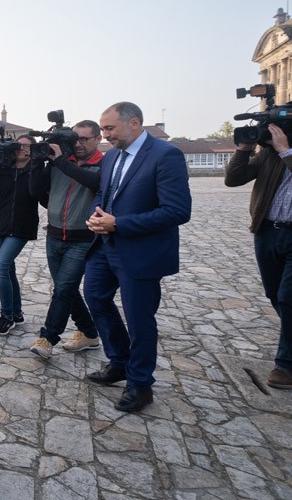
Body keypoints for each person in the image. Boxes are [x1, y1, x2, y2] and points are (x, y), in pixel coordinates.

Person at [83, 101, 191, 412]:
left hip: (141, 252)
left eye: (109, 129)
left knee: (139, 318)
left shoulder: (165, 155)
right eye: (103, 129)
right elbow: (105, 194)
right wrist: (97, 215)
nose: (105, 135)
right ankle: (119, 362)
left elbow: (177, 211)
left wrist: (119, 224)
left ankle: (140, 384)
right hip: (105, 246)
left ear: (134, 123)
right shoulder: (113, 155)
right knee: (95, 298)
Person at [27, 120, 104, 359]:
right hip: (54, 235)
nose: (78, 144)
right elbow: (35, 191)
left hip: (82, 239)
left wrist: (60, 160)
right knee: (66, 289)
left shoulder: (104, 163)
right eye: (74, 139)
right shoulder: (60, 164)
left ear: (98, 138)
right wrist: (37, 162)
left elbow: (94, 183)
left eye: (84, 139)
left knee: (63, 289)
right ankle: (90, 333)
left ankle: (48, 338)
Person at [225, 122, 292, 389]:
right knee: (275, 295)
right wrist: (243, 148)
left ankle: (286, 365)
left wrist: (286, 150)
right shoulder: (268, 153)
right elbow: (234, 179)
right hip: (267, 231)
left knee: (288, 299)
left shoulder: (281, 150)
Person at [0, 134, 43, 335]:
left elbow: (39, 194)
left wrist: (35, 165)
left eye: (26, 146)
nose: (21, 149)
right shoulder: (1, 171)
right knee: (9, 270)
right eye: (18, 145)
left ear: (33, 149)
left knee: (0, 267)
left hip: (22, 227)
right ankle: (17, 313)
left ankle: (6, 315)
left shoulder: (36, 170)